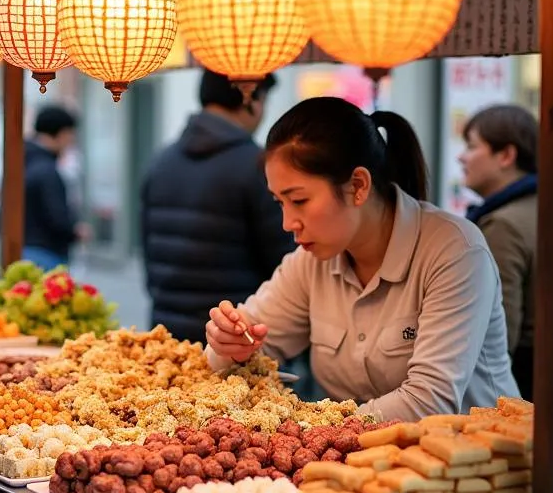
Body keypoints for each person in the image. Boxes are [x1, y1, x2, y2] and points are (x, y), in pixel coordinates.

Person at [204, 97, 519, 421]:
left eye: (299, 200)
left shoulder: (454, 252)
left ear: (358, 186)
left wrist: (317, 432)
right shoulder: (312, 261)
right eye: (280, 203)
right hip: (360, 462)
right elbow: (235, 351)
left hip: (471, 461)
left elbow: (430, 401)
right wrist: (228, 346)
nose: (288, 223)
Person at [141, 69, 294, 344]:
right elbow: (284, 263)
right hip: (236, 337)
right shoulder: (260, 166)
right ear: (252, 99)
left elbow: (148, 253)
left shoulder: (161, 161)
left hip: (167, 337)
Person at [459, 104, 539, 399]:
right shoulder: (548, 207)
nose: (461, 156)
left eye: (471, 146)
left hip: (524, 381)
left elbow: (499, 334)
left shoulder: (502, 224)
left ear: (506, 155)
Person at [21, 104, 82, 269]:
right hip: (46, 253)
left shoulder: (21, 160)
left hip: (23, 250)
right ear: (61, 134)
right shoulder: (47, 171)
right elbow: (58, 218)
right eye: (70, 135)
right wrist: (75, 232)